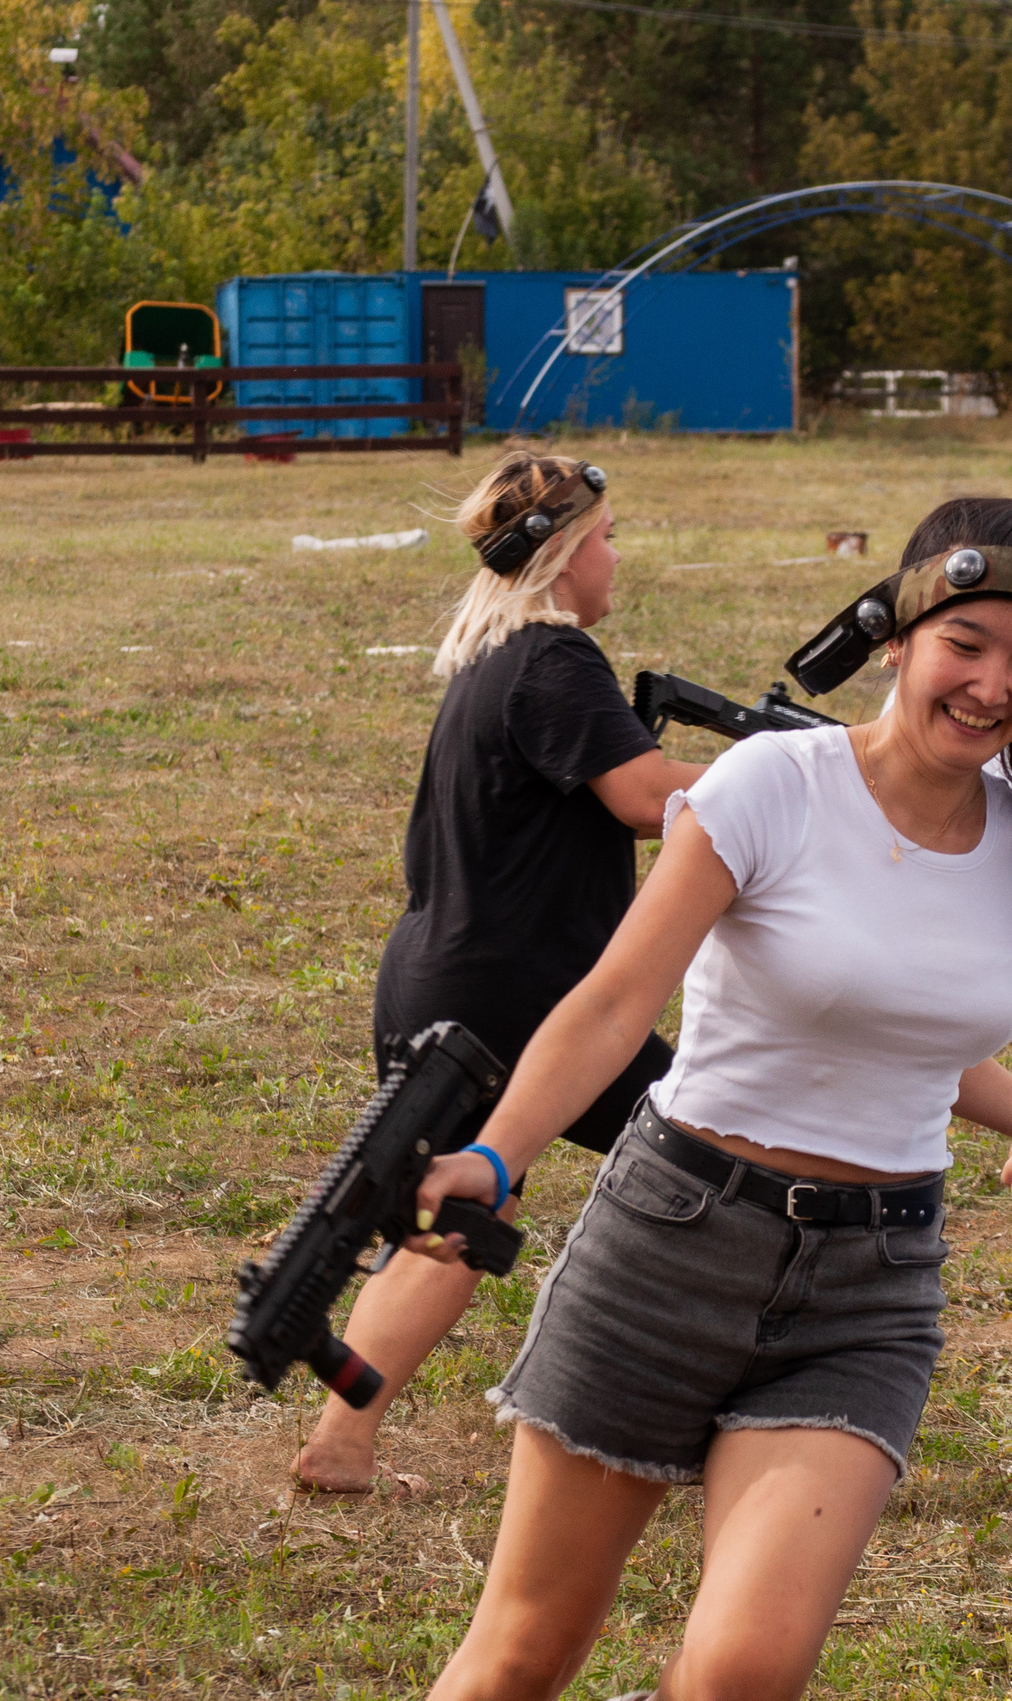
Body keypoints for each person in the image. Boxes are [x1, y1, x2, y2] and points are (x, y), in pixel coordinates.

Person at [401, 495, 1012, 1701]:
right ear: (897, 638)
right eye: (964, 645)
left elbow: (896, 1021)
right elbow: (614, 1005)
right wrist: (492, 1162)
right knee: (523, 1652)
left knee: (745, 1671)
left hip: (867, 1289)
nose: (991, 685)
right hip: (672, 1244)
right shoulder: (775, 784)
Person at [290, 451, 704, 1497]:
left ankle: (341, 1440)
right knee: (712, 1153)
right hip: (520, 996)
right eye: (607, 537)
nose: (617, 558)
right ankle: (716, 1395)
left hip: (445, 976)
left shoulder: (495, 658)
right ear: (563, 555)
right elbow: (649, 798)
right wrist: (802, 774)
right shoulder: (555, 659)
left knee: (462, 1221)